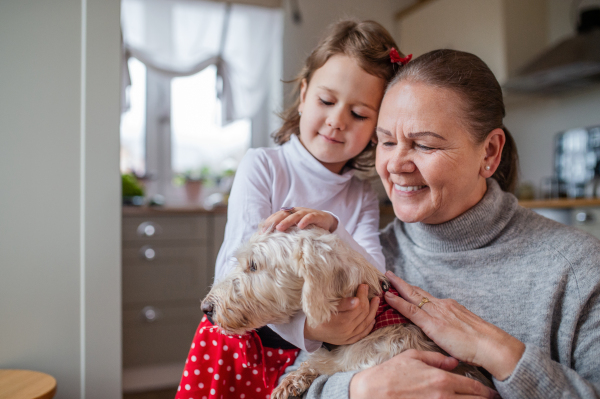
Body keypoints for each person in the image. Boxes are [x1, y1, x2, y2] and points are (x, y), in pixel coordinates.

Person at [290, 49, 600, 399]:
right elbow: (294, 385)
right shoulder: (362, 262)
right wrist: (359, 389)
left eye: (423, 145)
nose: (395, 164)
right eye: (387, 141)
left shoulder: (579, 269)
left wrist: (501, 353)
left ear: (489, 153)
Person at [176, 20, 410, 399]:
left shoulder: (361, 195)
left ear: (376, 129)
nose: (337, 121)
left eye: (359, 114)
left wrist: (334, 226)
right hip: (248, 342)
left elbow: (375, 279)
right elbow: (231, 273)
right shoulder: (263, 166)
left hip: (326, 356)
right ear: (303, 96)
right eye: (326, 101)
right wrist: (312, 330)